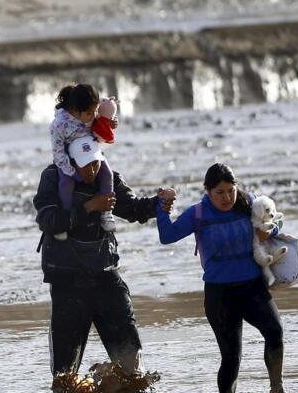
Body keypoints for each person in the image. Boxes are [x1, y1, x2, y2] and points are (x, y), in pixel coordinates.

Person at [33, 135, 174, 386]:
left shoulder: (108, 179)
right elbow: (48, 221)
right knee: (65, 377)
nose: (92, 170)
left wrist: (159, 203)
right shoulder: (53, 178)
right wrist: (89, 207)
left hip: (105, 277)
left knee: (133, 369)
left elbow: (132, 209)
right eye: (86, 165)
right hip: (67, 281)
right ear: (71, 162)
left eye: (96, 163)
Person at [157, 163, 286, 393]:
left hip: (253, 288)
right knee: (231, 357)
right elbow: (167, 236)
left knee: (275, 331)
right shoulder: (197, 214)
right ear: (207, 191)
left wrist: (270, 231)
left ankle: (277, 387)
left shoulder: (249, 203)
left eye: (231, 190)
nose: (227, 197)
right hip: (220, 296)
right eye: (220, 192)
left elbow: (276, 223)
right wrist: (162, 207)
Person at [49, 83, 119, 237]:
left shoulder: (92, 110)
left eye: (95, 111)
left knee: (107, 174)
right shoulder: (59, 125)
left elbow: (103, 119)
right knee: (66, 183)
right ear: (75, 110)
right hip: (70, 157)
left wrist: (111, 122)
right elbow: (58, 153)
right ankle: (65, 221)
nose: (94, 116)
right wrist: (72, 172)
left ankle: (106, 214)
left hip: (91, 151)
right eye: (89, 113)